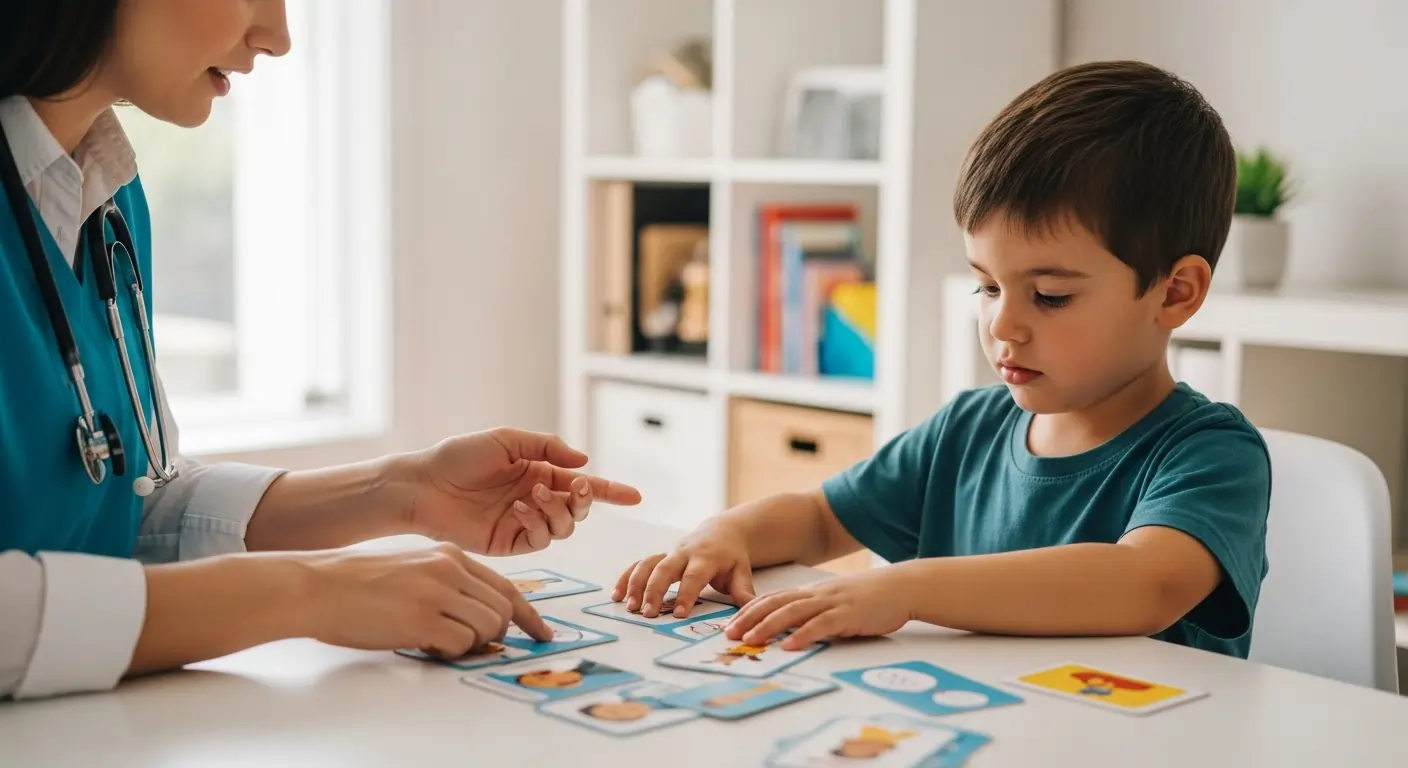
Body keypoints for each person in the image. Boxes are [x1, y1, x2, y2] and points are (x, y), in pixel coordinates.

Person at [0, 0, 640, 702]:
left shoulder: (106, 195)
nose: (276, 36)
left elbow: (122, 506)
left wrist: (403, 491)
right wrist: (305, 592)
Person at [615, 60, 1272, 659]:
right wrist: (724, 532)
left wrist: (906, 587)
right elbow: (818, 519)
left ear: (1175, 292)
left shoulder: (1212, 453)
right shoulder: (966, 430)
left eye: (1050, 295)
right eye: (986, 285)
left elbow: (1143, 583)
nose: (1001, 322)